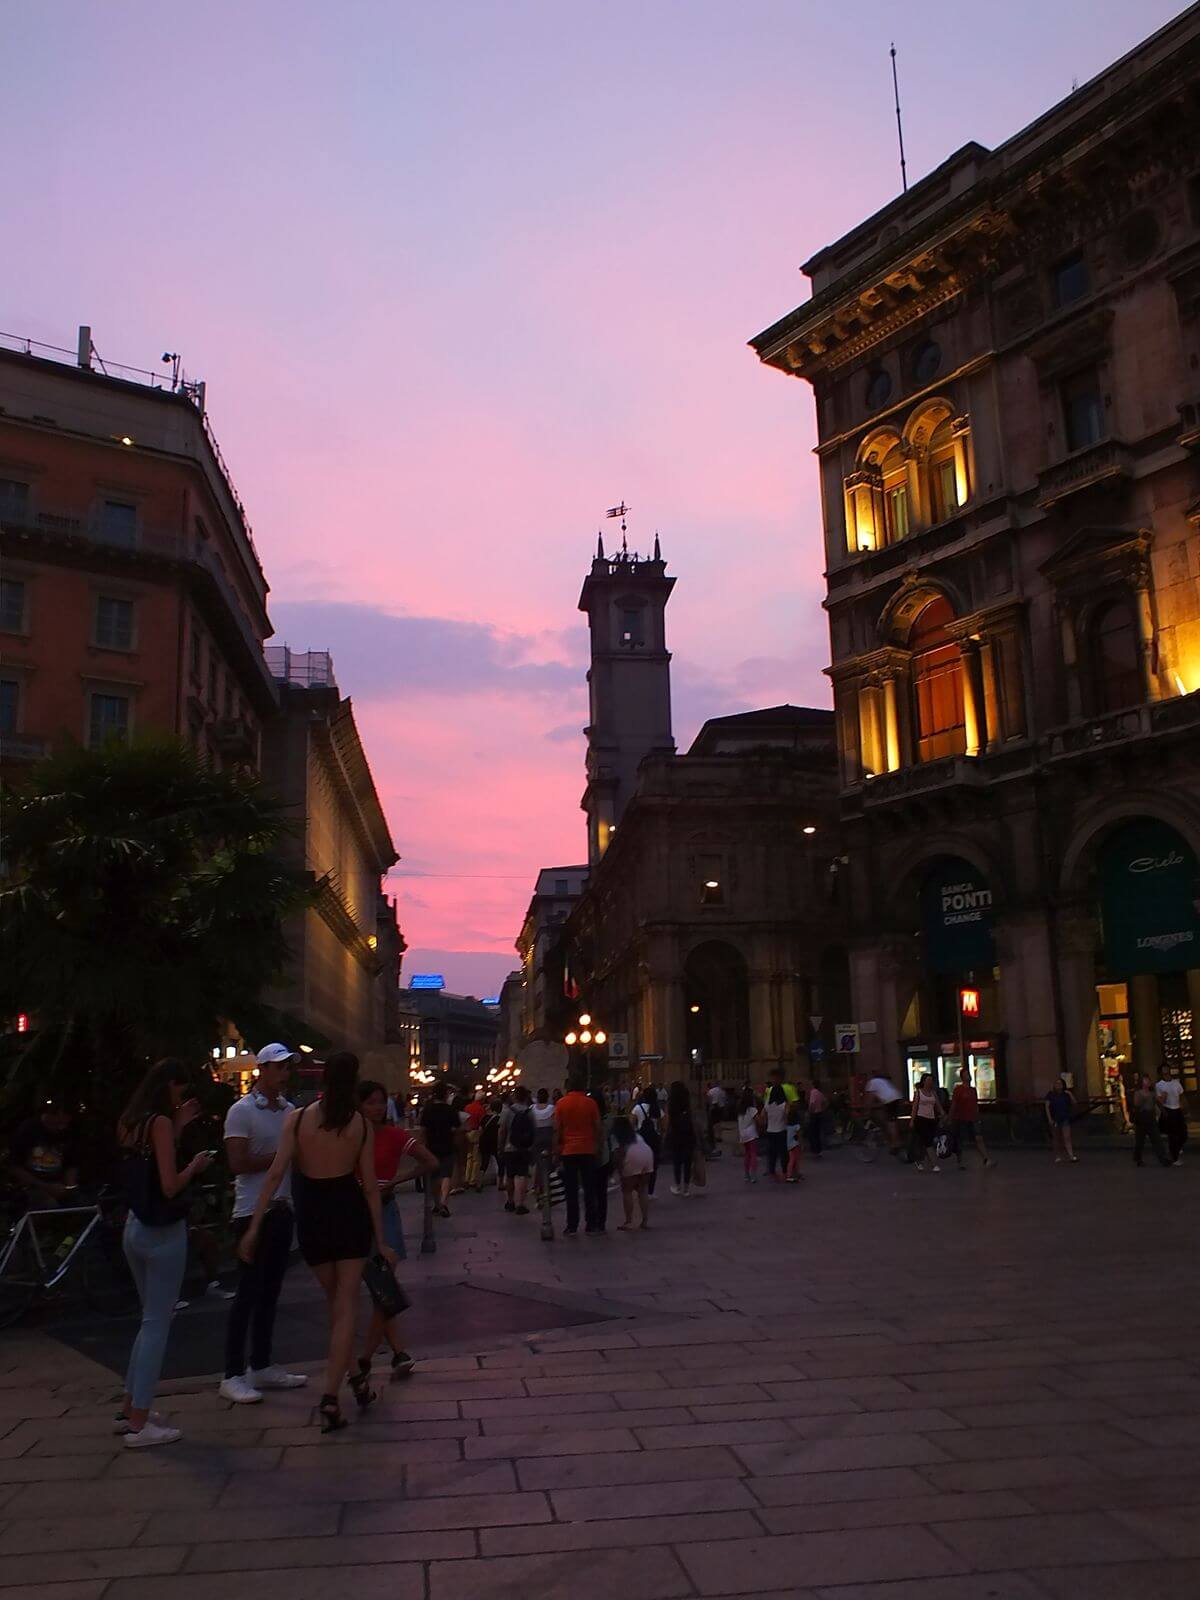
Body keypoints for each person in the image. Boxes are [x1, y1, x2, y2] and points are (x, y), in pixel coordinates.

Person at [239, 1051, 394, 1434]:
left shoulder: (298, 1119)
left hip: (312, 1217)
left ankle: (356, 1381)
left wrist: (254, 1226)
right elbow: (371, 1188)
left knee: (335, 1305)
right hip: (349, 1214)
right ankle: (330, 1397)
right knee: (344, 1309)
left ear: (323, 1079)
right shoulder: (359, 1125)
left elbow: (275, 1176)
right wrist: (381, 1239)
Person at [116, 1058, 214, 1448]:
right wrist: (195, 1166)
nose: (181, 1096)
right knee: (158, 1324)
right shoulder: (157, 1122)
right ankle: (140, 1422)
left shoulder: (129, 1121)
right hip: (163, 1232)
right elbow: (170, 1184)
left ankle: (130, 1407)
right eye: (179, 1089)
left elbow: (145, 1170)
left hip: (133, 1226)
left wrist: (177, 1127)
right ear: (166, 1086)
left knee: (147, 1321)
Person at [220, 1043, 308, 1405]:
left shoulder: (289, 1111)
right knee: (248, 1293)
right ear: (262, 1070)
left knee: (271, 1292)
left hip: (282, 1208)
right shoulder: (241, 1111)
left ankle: (261, 1363)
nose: (285, 1073)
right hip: (251, 1211)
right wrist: (281, 1156)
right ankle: (232, 1373)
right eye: (279, 1067)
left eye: (288, 1067)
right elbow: (237, 1162)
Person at [357, 1079, 437, 1381]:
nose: (377, 1108)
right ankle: (397, 1352)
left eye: (380, 1101)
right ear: (359, 1105)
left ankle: (368, 1357)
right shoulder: (352, 1137)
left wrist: (396, 1180)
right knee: (382, 1288)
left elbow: (429, 1161)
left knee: (384, 1285)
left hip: (386, 1210)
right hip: (358, 1212)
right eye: (370, 1102)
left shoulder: (394, 1135)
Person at [6, 1099, 80, 1208]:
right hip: (31, 1186)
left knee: (82, 1204)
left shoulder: (68, 1133)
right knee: (49, 1205)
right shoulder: (28, 1130)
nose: (62, 1127)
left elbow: (71, 1164)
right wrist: (45, 1186)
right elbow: (14, 1166)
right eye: (59, 1121)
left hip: (58, 1184)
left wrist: (70, 1186)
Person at [554, 1072, 601, 1235]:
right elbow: (597, 1127)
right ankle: (591, 1224)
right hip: (588, 1149)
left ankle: (572, 1225)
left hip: (568, 1151)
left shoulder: (561, 1104)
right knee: (589, 1188)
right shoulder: (590, 1103)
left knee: (571, 1190)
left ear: (568, 1087)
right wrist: (598, 1146)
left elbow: (557, 1129)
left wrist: (557, 1149)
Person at [419, 1081, 459, 1217]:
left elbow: (422, 1130)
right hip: (447, 1145)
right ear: (446, 1094)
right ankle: (444, 1203)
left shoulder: (427, 1110)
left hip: (431, 1146)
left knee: (434, 1177)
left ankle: (436, 1204)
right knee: (446, 1175)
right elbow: (456, 1128)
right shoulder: (450, 1110)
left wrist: (422, 1145)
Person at [949, 1064, 995, 1170]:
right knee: (960, 1140)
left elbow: (975, 1104)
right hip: (961, 1118)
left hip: (972, 1118)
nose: (968, 1076)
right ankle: (960, 1161)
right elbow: (954, 1104)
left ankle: (986, 1159)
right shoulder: (958, 1089)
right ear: (962, 1077)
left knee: (978, 1138)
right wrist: (950, 1117)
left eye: (968, 1074)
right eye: (966, 1074)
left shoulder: (973, 1090)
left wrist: (977, 1116)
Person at [612, 1116, 652, 1230]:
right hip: (647, 1154)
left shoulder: (618, 1137)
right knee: (643, 1190)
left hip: (632, 1156)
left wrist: (620, 1172)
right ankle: (644, 1220)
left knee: (627, 1191)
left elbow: (618, 1156)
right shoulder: (636, 1135)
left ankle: (629, 1221)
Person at [502, 1086, 535, 1215]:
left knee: (510, 1175)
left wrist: (500, 1146)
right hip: (525, 1148)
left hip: (510, 1148)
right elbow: (534, 1130)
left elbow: (502, 1131)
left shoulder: (507, 1112)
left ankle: (510, 1201)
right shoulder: (530, 1112)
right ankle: (521, 1203)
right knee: (523, 1175)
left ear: (514, 1096)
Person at [663, 1081, 698, 1197]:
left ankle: (677, 1186)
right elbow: (692, 1117)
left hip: (676, 1134)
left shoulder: (670, 1103)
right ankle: (686, 1189)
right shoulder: (687, 1102)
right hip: (688, 1133)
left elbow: (667, 1121)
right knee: (688, 1161)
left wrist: (665, 1133)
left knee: (677, 1161)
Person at [762, 1069, 796, 1183]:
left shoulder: (767, 1105)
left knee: (772, 1152)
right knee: (783, 1153)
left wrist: (768, 1122)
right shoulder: (784, 1105)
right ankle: (785, 1172)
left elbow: (763, 1117)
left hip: (770, 1130)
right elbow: (787, 1117)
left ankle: (772, 1171)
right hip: (781, 1130)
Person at [1132, 1073, 1171, 1168]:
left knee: (1157, 1139)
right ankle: (1138, 1158)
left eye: (1148, 1080)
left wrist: (1164, 1112)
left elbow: (1159, 1102)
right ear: (1142, 1082)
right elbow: (1136, 1104)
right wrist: (1144, 1099)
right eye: (1146, 1080)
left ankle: (1163, 1159)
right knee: (1140, 1141)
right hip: (1141, 1118)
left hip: (1151, 1118)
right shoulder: (1138, 1093)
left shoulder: (1152, 1093)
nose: (1148, 1082)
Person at [589, 1089, 615, 1233]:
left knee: (591, 1191)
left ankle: (592, 1220)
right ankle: (601, 1222)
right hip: (604, 1155)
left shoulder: (589, 1117)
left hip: (589, 1153)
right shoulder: (609, 1118)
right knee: (601, 1192)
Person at [910, 1072, 944, 1172]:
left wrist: (943, 1114)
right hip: (920, 1119)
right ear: (923, 1081)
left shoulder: (933, 1093)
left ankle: (920, 1160)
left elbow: (937, 1105)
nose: (930, 1082)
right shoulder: (918, 1093)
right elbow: (915, 1107)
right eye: (928, 1080)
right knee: (928, 1141)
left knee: (927, 1141)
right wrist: (912, 1120)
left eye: (931, 1081)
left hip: (931, 1119)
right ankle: (934, 1164)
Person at [632, 1085, 663, 1194]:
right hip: (654, 1139)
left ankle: (640, 1187)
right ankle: (651, 1191)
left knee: (640, 1164)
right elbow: (661, 1125)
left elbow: (633, 1124)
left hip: (641, 1138)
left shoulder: (637, 1108)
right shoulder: (657, 1108)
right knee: (653, 1166)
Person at [1155, 1068, 1188, 1166]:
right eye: (1164, 1072)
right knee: (1172, 1135)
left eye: (1167, 1071)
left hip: (1177, 1109)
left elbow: (1182, 1096)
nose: (1166, 1073)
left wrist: (1185, 1108)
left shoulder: (1176, 1083)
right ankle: (1174, 1157)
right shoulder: (1159, 1085)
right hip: (1168, 1109)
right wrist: (1163, 1111)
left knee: (1183, 1134)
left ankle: (1177, 1148)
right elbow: (1159, 1101)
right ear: (1161, 1073)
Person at [865, 1072, 903, 1153]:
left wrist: (867, 1109)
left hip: (890, 1100)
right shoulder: (882, 1081)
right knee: (891, 1119)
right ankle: (896, 1139)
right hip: (897, 1097)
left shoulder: (872, 1082)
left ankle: (896, 1143)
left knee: (890, 1122)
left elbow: (870, 1098)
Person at [1044, 1076, 1078, 1164]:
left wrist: (1070, 1094)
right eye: (1056, 1084)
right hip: (1055, 1118)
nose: (1058, 1085)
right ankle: (1058, 1156)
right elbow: (1047, 1107)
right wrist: (1049, 1118)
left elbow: (1074, 1103)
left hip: (1064, 1117)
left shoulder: (1066, 1094)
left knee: (1067, 1137)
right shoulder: (1051, 1095)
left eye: (1060, 1084)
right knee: (1056, 1138)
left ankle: (1071, 1155)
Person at [530, 1088, 556, 1198]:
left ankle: (537, 1186)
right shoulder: (551, 1108)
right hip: (548, 1136)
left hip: (536, 1137)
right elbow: (555, 1125)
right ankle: (547, 1187)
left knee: (538, 1164)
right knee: (548, 1164)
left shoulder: (532, 1108)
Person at [736, 1084, 762, 1182]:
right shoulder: (752, 1109)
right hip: (751, 1133)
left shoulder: (740, 1110)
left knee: (747, 1154)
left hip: (743, 1134)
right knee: (753, 1154)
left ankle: (746, 1174)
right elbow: (759, 1121)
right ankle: (753, 1175)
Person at [462, 1090, 487, 1189]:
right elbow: (482, 1123)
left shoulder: (467, 1107)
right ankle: (473, 1179)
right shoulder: (481, 1109)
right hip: (476, 1132)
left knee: (468, 1156)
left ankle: (466, 1178)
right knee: (476, 1158)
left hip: (467, 1132)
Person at [478, 1096, 503, 1192]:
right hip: (495, 1143)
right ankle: (500, 1183)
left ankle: (479, 1182)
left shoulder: (484, 1118)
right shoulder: (499, 1119)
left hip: (484, 1142)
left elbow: (480, 1130)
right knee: (500, 1162)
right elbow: (501, 1132)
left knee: (484, 1163)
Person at [806, 1078, 828, 1158]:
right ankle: (818, 1150)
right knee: (817, 1132)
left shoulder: (813, 1092)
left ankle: (814, 1150)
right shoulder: (820, 1093)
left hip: (814, 1114)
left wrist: (810, 1112)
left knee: (812, 1133)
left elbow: (812, 1103)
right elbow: (825, 1102)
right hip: (819, 1113)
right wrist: (822, 1109)